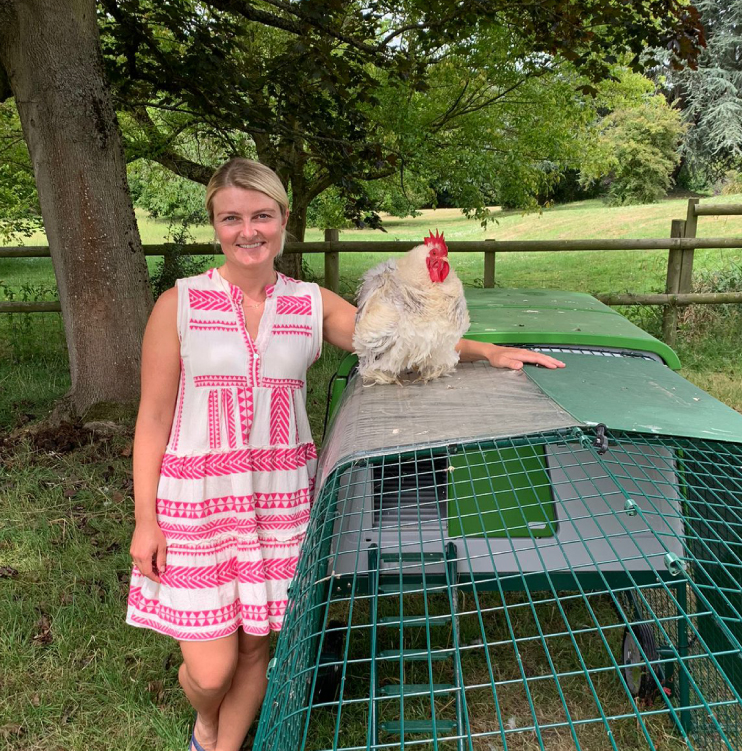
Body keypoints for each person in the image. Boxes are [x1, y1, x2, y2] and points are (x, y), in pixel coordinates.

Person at [126, 157, 564, 751]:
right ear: (215, 225)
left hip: (278, 501)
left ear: (283, 220)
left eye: (262, 216)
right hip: (197, 504)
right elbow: (152, 419)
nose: (248, 231)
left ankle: (215, 746)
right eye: (232, 218)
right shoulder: (176, 305)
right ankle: (205, 716)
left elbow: (395, 344)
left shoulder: (309, 304)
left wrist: (487, 351)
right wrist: (145, 521)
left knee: (257, 648)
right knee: (210, 672)